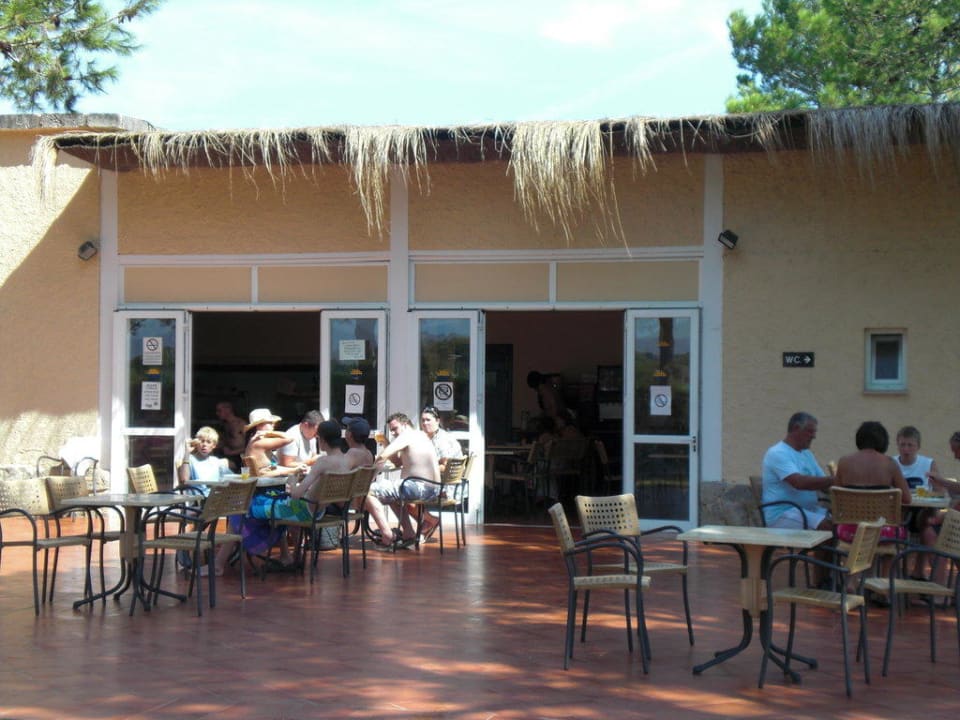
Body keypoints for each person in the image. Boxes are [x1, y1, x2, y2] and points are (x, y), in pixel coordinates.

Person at [366, 412, 441, 547]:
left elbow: (383, 456)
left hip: (418, 487)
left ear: (405, 425)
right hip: (432, 488)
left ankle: (387, 535)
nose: (393, 433)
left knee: (368, 491)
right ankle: (408, 533)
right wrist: (385, 443)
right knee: (391, 495)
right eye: (391, 431)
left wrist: (368, 477)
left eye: (395, 429)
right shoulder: (420, 435)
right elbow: (398, 462)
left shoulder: (407, 435)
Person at [833, 420, 911, 543]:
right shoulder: (890, 463)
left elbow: (836, 499)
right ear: (883, 441)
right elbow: (907, 499)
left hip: (850, 531)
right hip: (883, 532)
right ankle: (888, 561)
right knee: (893, 540)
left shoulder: (843, 462)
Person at [761, 411, 834, 530]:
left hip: (805, 511)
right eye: (810, 431)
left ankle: (825, 548)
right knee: (828, 526)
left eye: (814, 432)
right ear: (796, 428)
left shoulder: (807, 454)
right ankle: (823, 549)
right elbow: (799, 483)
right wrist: (834, 479)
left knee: (842, 523)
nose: (814, 436)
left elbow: (824, 485)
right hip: (782, 513)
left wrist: (845, 486)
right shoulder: (778, 453)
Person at [243, 408, 306, 478]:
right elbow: (290, 438)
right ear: (259, 425)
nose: (273, 425)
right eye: (270, 423)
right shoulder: (259, 442)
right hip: (265, 485)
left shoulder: (255, 440)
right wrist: (269, 432)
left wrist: (294, 470)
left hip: (267, 481)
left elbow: (272, 468)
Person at [177, 426, 230, 492]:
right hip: (200, 499)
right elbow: (184, 480)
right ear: (197, 443)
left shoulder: (216, 461)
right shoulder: (190, 459)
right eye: (202, 441)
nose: (204, 444)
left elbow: (231, 478)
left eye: (208, 442)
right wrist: (187, 453)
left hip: (216, 497)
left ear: (214, 445)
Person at [215, 401, 246, 472]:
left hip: (240, 458)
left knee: (220, 465)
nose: (217, 413)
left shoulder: (241, 424)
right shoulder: (224, 425)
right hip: (228, 456)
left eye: (219, 411)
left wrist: (232, 452)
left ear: (228, 410)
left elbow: (250, 445)